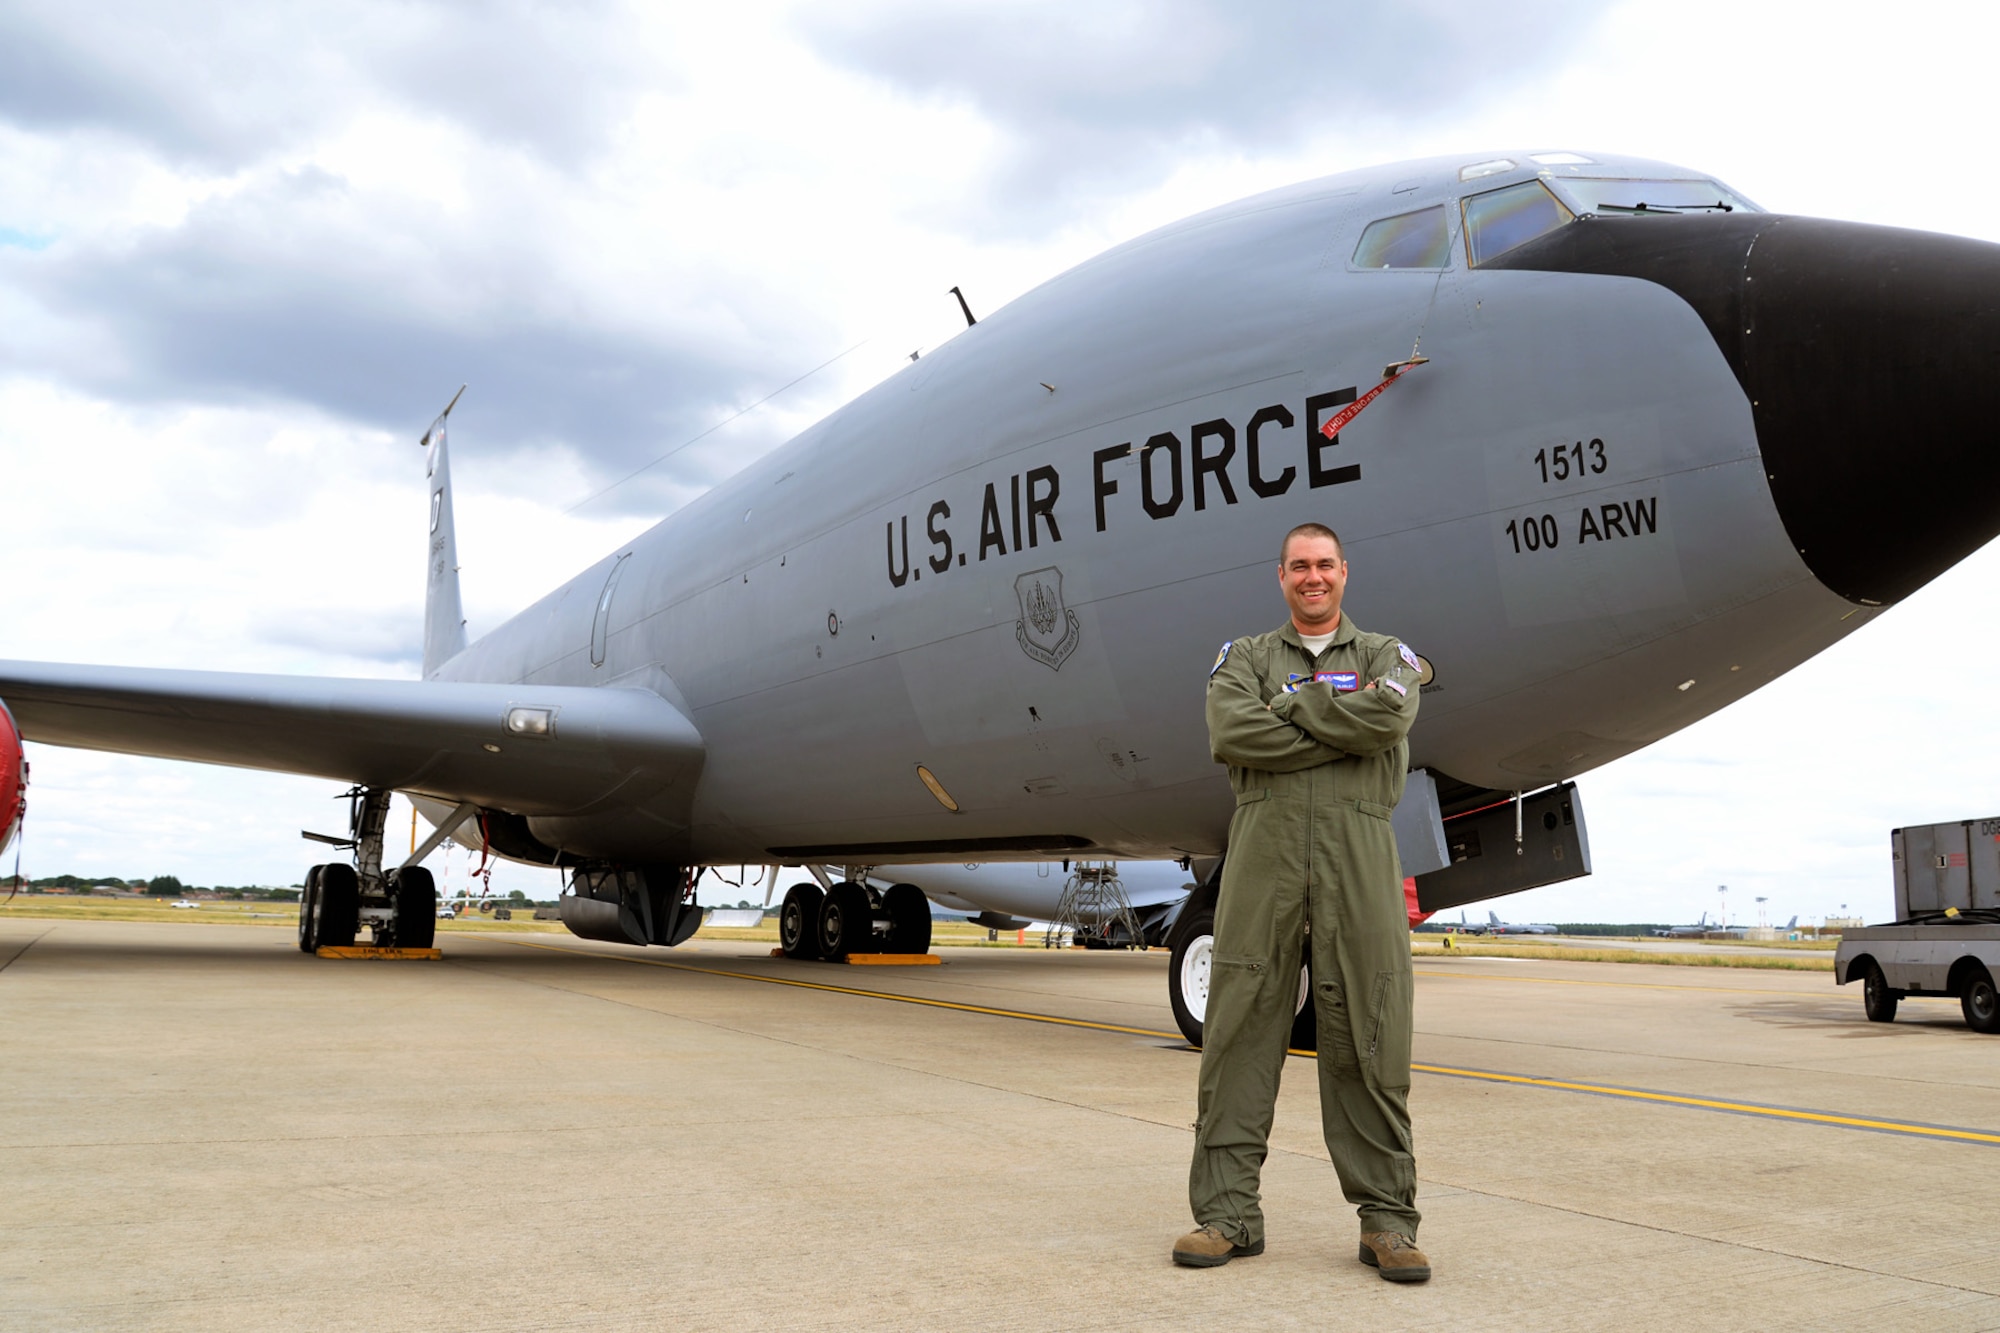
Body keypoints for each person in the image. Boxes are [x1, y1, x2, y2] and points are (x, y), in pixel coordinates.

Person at [1172, 521, 1429, 1283]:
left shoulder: (1388, 655)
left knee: (1371, 1030)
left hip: (1360, 850)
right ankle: (1226, 1215)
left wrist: (1290, 710)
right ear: (1279, 577)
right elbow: (1231, 729)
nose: (1312, 577)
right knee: (1239, 1026)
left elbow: (1391, 714)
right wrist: (1341, 725)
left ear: (1344, 572)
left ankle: (1388, 1221)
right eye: (1298, 567)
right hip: (1265, 851)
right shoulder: (1244, 657)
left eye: (1324, 565)